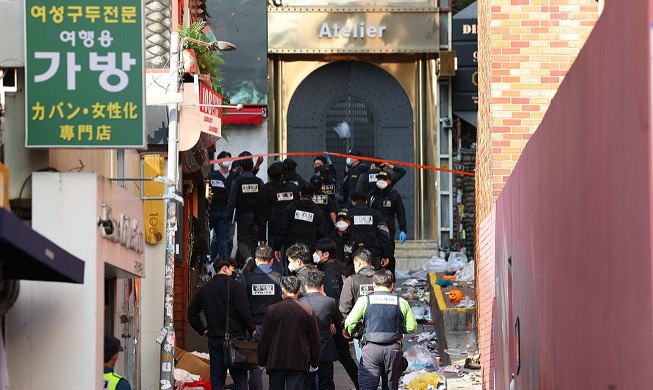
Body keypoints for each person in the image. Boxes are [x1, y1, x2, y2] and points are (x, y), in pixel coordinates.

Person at [188, 256, 257, 390]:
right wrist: (252, 328)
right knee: (240, 380)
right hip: (235, 341)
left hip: (214, 340)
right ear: (225, 268)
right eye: (232, 269)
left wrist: (202, 330)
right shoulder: (235, 286)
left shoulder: (205, 289)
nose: (233, 272)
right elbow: (243, 311)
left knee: (217, 380)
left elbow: (191, 313)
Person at [344, 270, 417, 390]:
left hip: (371, 351)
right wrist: (399, 329)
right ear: (392, 285)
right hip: (393, 350)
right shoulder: (401, 302)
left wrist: (357, 334)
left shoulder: (364, 300)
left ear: (374, 285)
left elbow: (349, 323)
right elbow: (411, 327)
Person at [257, 276, 321, 390]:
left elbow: (265, 339)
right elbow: (314, 340)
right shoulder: (307, 311)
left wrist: (261, 360)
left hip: (276, 359)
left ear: (282, 291)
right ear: (298, 291)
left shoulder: (272, 310)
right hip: (298, 360)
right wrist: (314, 363)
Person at [313, 238, 359, 389]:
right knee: (344, 356)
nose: (315, 255)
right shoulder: (337, 267)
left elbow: (332, 298)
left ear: (325, 254)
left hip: (334, 321)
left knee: (332, 358)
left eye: (317, 253)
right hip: (338, 318)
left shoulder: (329, 272)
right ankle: (362, 384)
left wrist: (331, 320)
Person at [242, 246, 283, 390]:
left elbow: (243, 306)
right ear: (272, 261)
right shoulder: (279, 279)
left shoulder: (246, 280)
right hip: (275, 328)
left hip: (253, 328)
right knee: (276, 366)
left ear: (256, 260)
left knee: (255, 367)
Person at [299, 270, 343, 390]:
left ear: (305, 286)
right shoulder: (330, 302)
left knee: (307, 384)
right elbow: (340, 320)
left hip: (306, 351)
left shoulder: (299, 303)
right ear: (322, 286)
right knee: (326, 384)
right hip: (325, 350)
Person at [255, 162, 300, 273]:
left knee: (276, 257)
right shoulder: (293, 189)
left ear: (270, 176)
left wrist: (262, 238)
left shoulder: (266, 190)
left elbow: (262, 215)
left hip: (274, 229)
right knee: (293, 256)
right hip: (292, 228)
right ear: (283, 175)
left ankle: (278, 281)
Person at [366, 171, 407, 276]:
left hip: (388, 231)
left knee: (388, 256)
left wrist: (403, 230)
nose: (381, 181)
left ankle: (390, 279)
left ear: (389, 181)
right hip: (372, 232)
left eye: (384, 179)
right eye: (379, 179)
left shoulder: (394, 195)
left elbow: (400, 213)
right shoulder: (371, 195)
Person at [339, 248, 376, 364]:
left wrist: (345, 327)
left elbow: (345, 307)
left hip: (360, 330)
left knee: (364, 367)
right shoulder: (382, 278)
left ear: (359, 262)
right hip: (383, 327)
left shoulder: (351, 280)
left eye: (355, 263)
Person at [274, 183, 327, 263]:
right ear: (313, 195)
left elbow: (282, 229)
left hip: (292, 248)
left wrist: (277, 247)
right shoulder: (318, 212)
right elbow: (322, 233)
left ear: (300, 193)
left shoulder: (290, 208)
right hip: (309, 250)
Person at [228, 157, 265, 267]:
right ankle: (253, 266)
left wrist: (230, 217)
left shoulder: (237, 181)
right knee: (254, 242)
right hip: (256, 217)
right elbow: (263, 201)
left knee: (241, 241)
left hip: (243, 216)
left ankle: (248, 258)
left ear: (241, 169)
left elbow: (231, 201)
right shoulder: (259, 182)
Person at [347, 191, 391, 270]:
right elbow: (385, 235)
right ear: (366, 201)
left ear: (352, 202)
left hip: (353, 253)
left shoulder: (348, 215)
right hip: (374, 253)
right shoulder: (375, 214)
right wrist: (386, 254)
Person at [210, 151, 236, 261]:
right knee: (208, 236)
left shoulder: (233, 177)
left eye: (229, 159)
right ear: (219, 161)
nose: (227, 162)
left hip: (226, 211)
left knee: (222, 238)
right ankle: (208, 260)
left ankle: (223, 261)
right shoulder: (212, 175)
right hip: (212, 210)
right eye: (225, 159)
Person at [330, 211, 357, 276]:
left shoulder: (353, 236)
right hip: (335, 269)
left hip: (350, 269)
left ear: (349, 223)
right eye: (339, 220)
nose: (341, 222)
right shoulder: (331, 237)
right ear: (336, 222)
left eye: (344, 220)